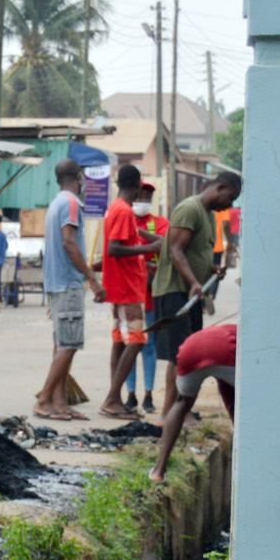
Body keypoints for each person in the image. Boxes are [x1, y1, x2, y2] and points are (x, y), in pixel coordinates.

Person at [151, 171, 244, 414]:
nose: (230, 204)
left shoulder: (206, 214)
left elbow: (195, 252)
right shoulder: (189, 209)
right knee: (179, 356)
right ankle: (168, 413)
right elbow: (175, 250)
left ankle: (178, 411)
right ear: (220, 187)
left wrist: (209, 269)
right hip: (176, 291)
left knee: (189, 355)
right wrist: (194, 281)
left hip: (191, 294)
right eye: (231, 197)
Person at [34, 158, 104, 421]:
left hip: (56, 282)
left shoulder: (56, 204)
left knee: (62, 343)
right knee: (69, 345)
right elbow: (69, 242)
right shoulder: (72, 204)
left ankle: (60, 402)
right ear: (79, 177)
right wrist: (92, 280)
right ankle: (44, 400)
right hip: (67, 283)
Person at [97, 165, 164, 420]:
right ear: (136, 186)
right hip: (128, 287)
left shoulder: (115, 208)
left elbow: (134, 234)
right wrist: (150, 248)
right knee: (137, 341)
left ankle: (114, 397)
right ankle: (113, 398)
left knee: (119, 341)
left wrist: (155, 241)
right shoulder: (124, 211)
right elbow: (115, 248)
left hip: (120, 287)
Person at [151, 321, 236, 482]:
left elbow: (225, 389)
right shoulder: (243, 338)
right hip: (226, 351)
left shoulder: (218, 331)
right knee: (244, 402)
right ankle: (242, 458)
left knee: (182, 403)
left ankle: (158, 470)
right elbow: (236, 401)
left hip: (189, 350)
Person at [129, 181, 166, 412]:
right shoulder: (123, 220)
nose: (143, 202)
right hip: (129, 295)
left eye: (147, 198)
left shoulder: (160, 224)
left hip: (150, 296)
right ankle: (131, 394)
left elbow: (165, 248)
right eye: (139, 197)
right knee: (129, 345)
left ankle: (149, 395)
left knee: (149, 346)